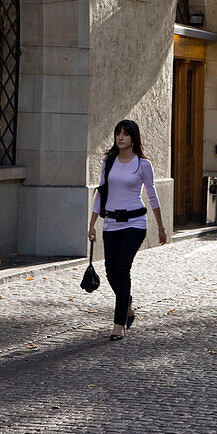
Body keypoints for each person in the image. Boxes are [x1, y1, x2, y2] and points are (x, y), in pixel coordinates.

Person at [88, 119, 167, 341]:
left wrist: (160, 227)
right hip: (111, 222)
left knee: (122, 269)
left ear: (133, 137)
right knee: (111, 271)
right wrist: (92, 223)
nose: (120, 137)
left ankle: (118, 323)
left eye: (125, 134)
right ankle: (127, 303)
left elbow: (152, 195)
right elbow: (101, 192)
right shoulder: (109, 160)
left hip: (135, 223)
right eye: (117, 133)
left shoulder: (143, 164)